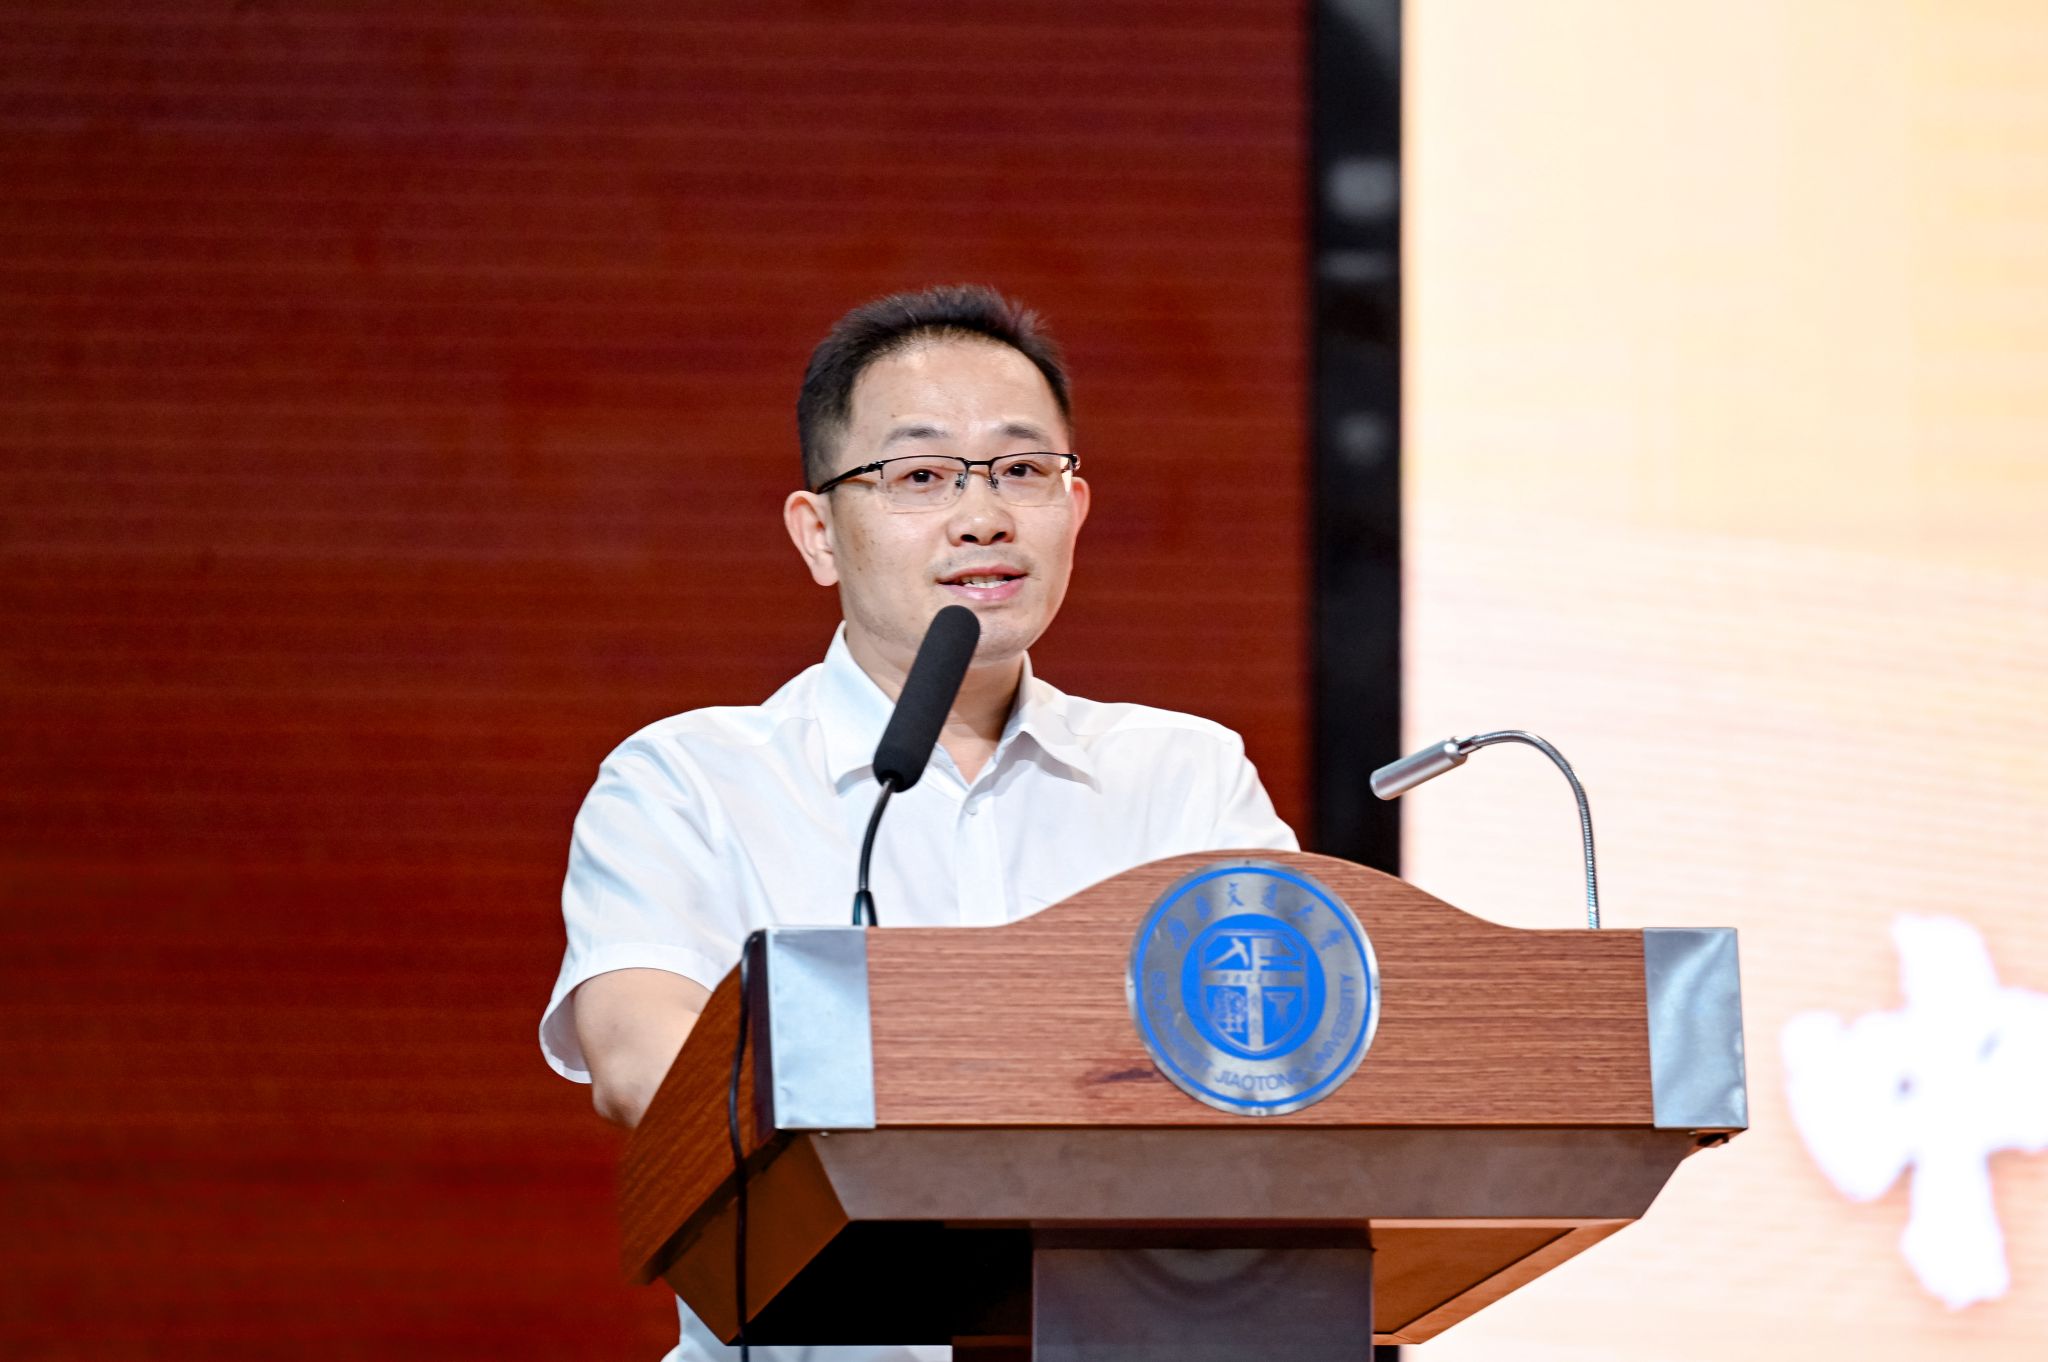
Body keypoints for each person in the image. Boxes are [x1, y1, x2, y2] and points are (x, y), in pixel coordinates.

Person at [538, 284, 1299, 1361]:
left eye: (1023, 470)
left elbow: (1291, 1065)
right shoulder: (689, 781)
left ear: (1076, 509)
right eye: (921, 476)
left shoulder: (1183, 776)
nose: (983, 516)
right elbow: (639, 1060)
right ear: (818, 534)